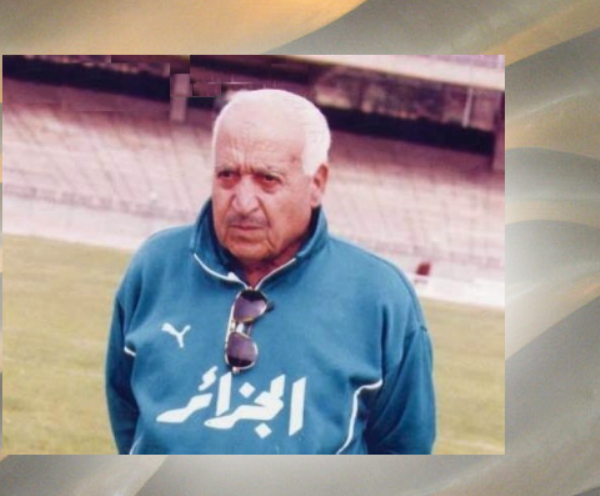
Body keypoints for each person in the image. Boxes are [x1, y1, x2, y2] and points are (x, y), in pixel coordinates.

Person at [105, 89, 436, 454]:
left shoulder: (379, 297)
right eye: (227, 175)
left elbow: (403, 451)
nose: (243, 202)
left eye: (268, 179)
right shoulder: (155, 267)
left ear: (316, 184)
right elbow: (127, 412)